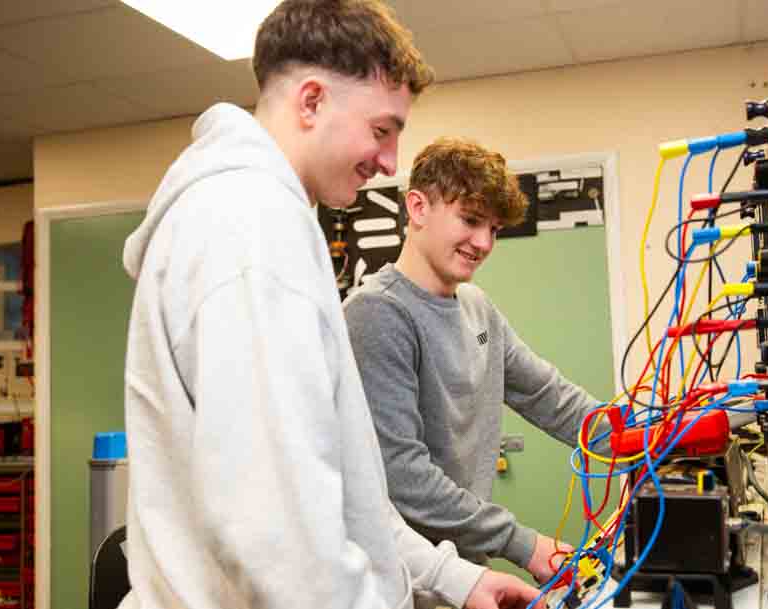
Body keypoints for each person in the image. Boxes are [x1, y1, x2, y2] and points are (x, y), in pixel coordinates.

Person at [118, 3, 543, 609]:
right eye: (381, 130)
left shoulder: (273, 221)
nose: (392, 162)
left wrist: (459, 578)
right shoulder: (249, 231)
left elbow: (345, 494)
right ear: (312, 101)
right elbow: (276, 538)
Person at [344, 137, 611, 584]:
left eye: (494, 229)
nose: (483, 242)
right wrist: (524, 544)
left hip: (468, 567)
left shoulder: (476, 307)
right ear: (418, 207)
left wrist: (648, 439)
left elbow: (549, 396)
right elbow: (403, 475)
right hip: (407, 580)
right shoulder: (377, 313)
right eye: (470, 220)